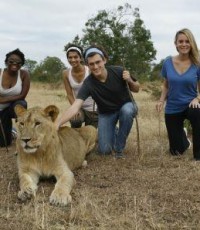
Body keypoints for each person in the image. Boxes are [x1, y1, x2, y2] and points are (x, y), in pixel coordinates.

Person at [56, 45, 140, 158]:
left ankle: (119, 149)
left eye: (98, 62)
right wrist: (57, 123)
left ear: (104, 60)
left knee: (127, 111)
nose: (95, 67)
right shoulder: (88, 83)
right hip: (106, 113)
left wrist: (129, 80)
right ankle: (113, 130)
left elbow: (137, 89)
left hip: (125, 106)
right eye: (91, 64)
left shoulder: (118, 71)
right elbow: (75, 107)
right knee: (104, 150)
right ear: (87, 65)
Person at [156, 28, 200, 160]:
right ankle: (184, 140)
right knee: (176, 151)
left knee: (197, 112)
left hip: (191, 105)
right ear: (175, 43)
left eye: (187, 41)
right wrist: (161, 100)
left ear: (191, 43)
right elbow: (166, 84)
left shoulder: (197, 64)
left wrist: (197, 99)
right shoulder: (168, 62)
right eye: (180, 41)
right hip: (173, 107)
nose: (184, 44)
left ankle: (198, 155)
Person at [62, 43, 98, 128]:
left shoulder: (89, 70)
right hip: (79, 107)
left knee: (90, 133)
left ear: (81, 58)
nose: (73, 60)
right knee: (75, 120)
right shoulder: (65, 73)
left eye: (75, 57)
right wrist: (75, 109)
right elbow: (69, 94)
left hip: (93, 108)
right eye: (70, 57)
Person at [0, 48, 30, 147]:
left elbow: (22, 95)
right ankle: (11, 131)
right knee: (3, 143)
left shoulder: (24, 74)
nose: (14, 64)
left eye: (18, 62)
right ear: (6, 62)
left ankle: (21, 133)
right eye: (11, 61)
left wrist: (3, 100)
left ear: (22, 64)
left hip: (11, 109)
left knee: (22, 104)